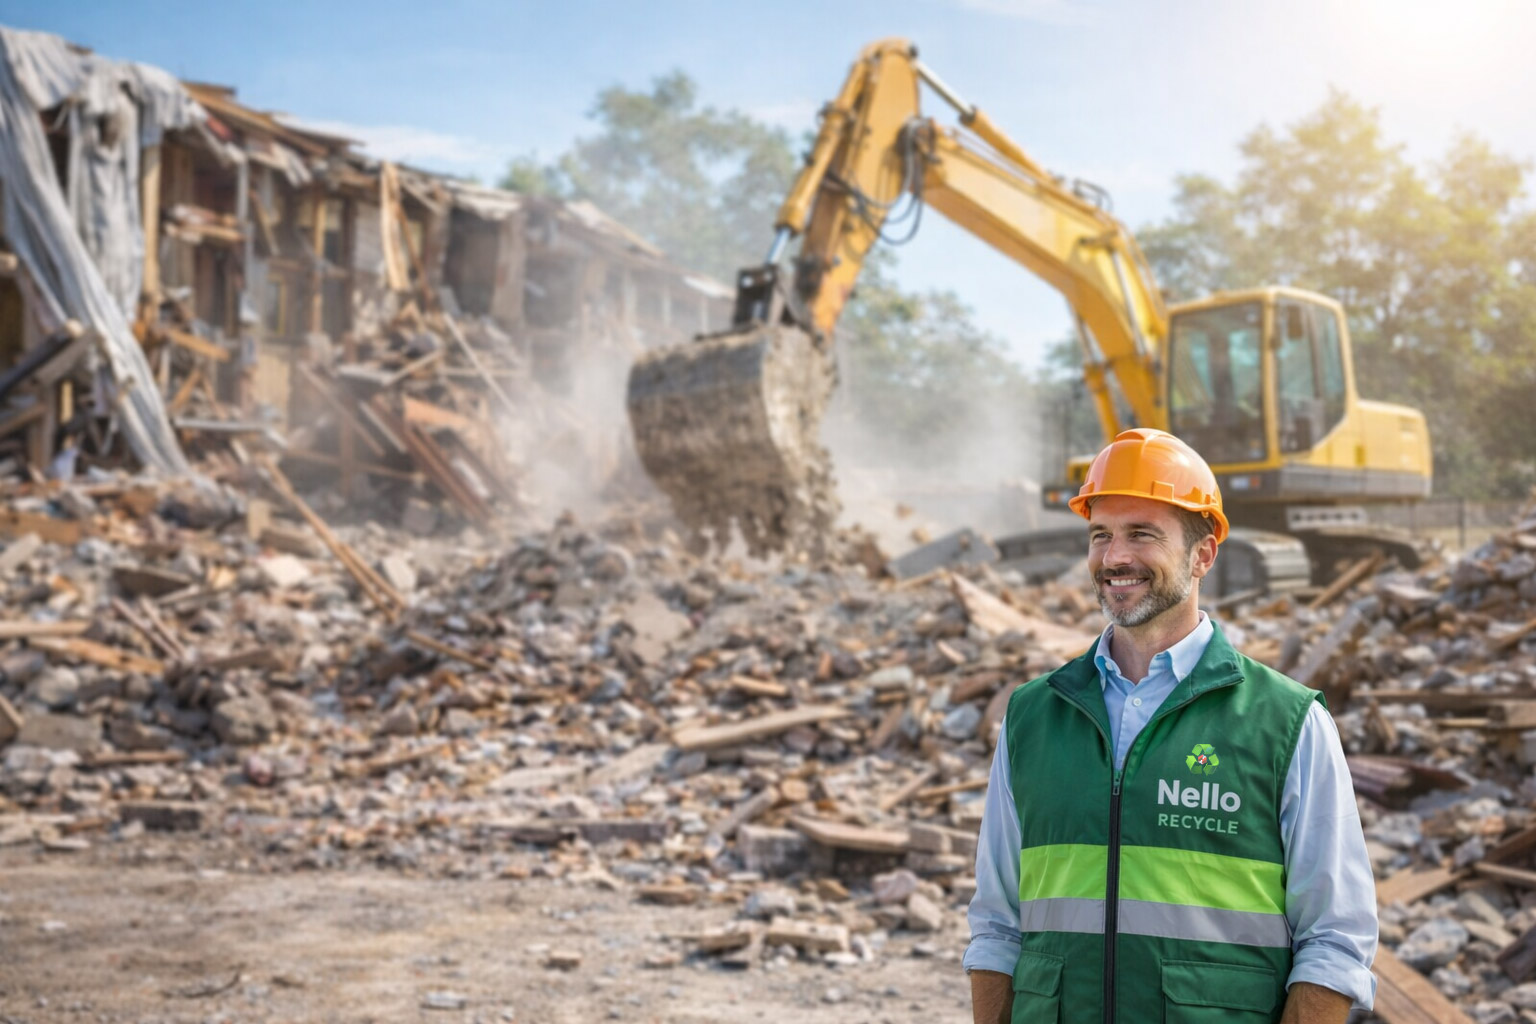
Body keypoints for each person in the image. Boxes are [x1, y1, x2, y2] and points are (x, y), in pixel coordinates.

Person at [963, 428, 1376, 1024]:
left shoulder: (1287, 724)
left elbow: (1335, 941)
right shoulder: (1033, 716)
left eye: (1142, 534)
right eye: (1100, 534)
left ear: (1203, 554)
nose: (1115, 557)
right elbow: (998, 928)